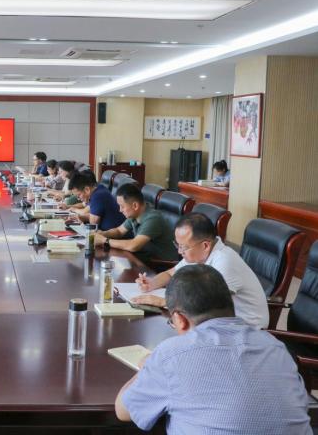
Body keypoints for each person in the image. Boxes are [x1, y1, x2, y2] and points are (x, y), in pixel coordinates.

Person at [115, 264, 311, 434]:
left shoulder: (171, 355)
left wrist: (147, 366)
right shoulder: (276, 347)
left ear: (180, 319)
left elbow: (123, 411)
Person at [132, 213, 269, 329]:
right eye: (177, 245)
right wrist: (151, 283)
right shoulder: (197, 253)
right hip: (217, 321)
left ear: (205, 245)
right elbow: (170, 274)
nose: (179, 252)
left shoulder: (225, 261)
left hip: (246, 329)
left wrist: (162, 302)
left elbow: (208, 304)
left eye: (183, 247)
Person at [93, 183, 179, 262]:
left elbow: (134, 246)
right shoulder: (135, 214)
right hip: (145, 256)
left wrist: (104, 240)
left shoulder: (153, 219)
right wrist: (102, 234)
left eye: (122, 206)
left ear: (135, 206)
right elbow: (119, 231)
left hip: (162, 264)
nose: (120, 210)